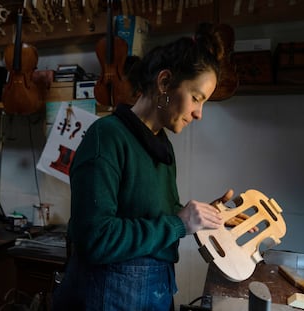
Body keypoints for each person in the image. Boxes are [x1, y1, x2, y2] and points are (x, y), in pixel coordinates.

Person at [52, 23, 238, 311]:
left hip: (155, 289)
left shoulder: (161, 145)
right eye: (197, 98)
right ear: (164, 82)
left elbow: (153, 214)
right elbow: (95, 238)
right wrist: (179, 223)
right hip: (108, 296)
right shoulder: (108, 136)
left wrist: (202, 218)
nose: (199, 114)